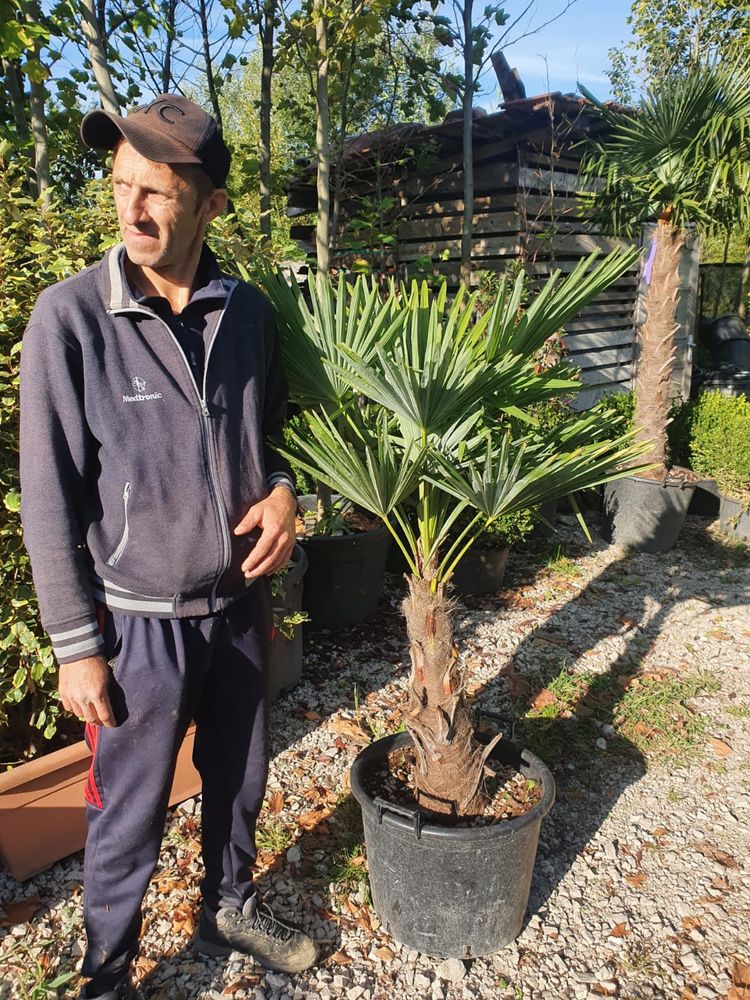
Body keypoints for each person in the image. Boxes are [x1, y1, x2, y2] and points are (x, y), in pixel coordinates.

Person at [19, 95, 318, 1000]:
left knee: (239, 780)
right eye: (120, 188)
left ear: (210, 204)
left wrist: (284, 491)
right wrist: (76, 644)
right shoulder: (69, 319)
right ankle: (106, 970)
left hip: (237, 606)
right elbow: (47, 494)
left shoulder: (250, 314)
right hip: (136, 625)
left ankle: (228, 904)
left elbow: (275, 436)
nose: (133, 211)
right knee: (129, 812)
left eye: (157, 193)